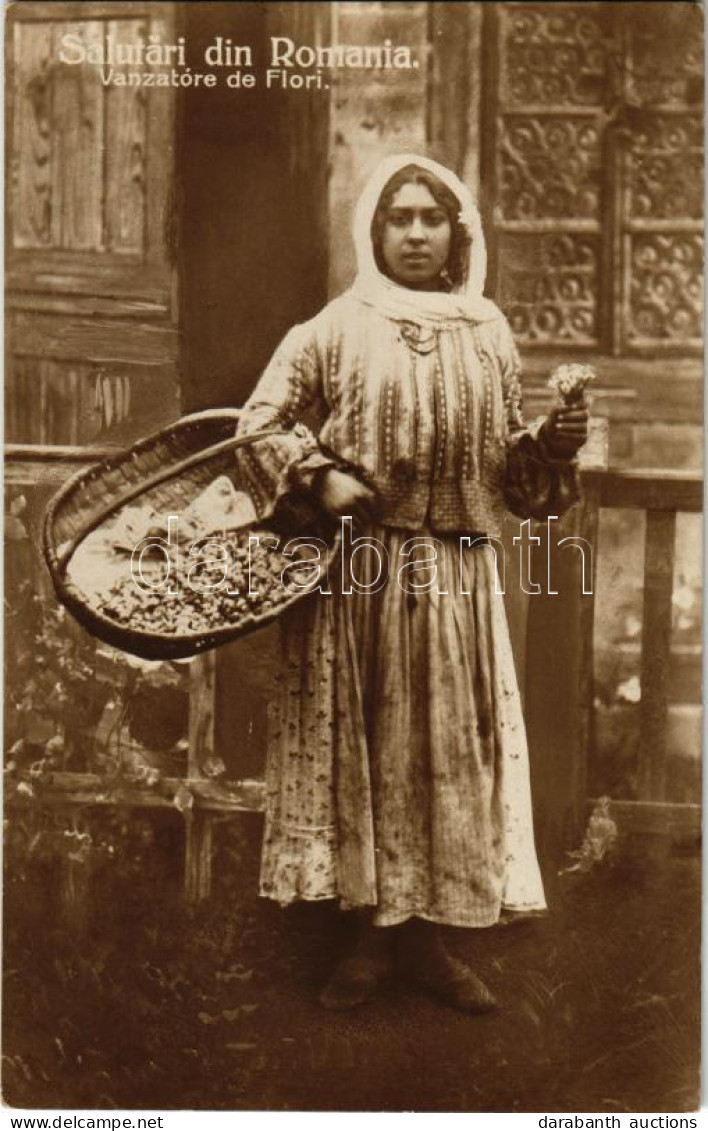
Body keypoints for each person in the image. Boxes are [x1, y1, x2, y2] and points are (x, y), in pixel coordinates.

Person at [234, 154, 588, 1013]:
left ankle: (429, 941)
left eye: (434, 218)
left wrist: (554, 440)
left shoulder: (487, 329)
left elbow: (512, 470)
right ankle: (370, 936)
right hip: (365, 572)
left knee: (446, 752)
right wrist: (319, 477)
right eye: (402, 218)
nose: (419, 233)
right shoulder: (335, 327)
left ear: (457, 232)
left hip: (460, 571)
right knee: (375, 746)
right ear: (376, 231)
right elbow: (259, 423)